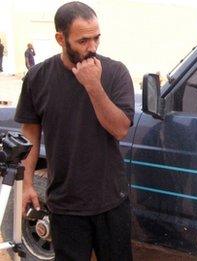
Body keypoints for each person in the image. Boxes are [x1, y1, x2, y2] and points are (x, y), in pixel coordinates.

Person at [15, 1, 134, 260]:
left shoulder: (115, 73)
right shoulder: (37, 77)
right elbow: (30, 135)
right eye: (83, 41)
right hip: (65, 205)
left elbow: (120, 129)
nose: (92, 48)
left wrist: (94, 86)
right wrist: (26, 185)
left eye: (96, 39)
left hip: (111, 201)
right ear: (61, 38)